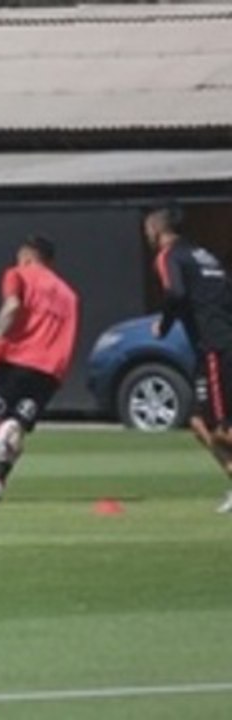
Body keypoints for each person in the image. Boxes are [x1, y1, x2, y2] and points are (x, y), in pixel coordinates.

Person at [0, 235, 80, 504]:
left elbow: (12, 307)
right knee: (17, 426)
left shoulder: (18, 274)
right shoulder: (69, 294)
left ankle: (0, 424)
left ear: (27, 257)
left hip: (17, 360)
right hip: (51, 370)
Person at [144, 206, 232, 512]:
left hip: (214, 347)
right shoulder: (203, 254)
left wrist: (164, 326)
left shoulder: (168, 256)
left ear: (156, 229)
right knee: (197, 421)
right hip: (214, 344)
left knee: (222, 429)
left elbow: (176, 293)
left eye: (148, 230)